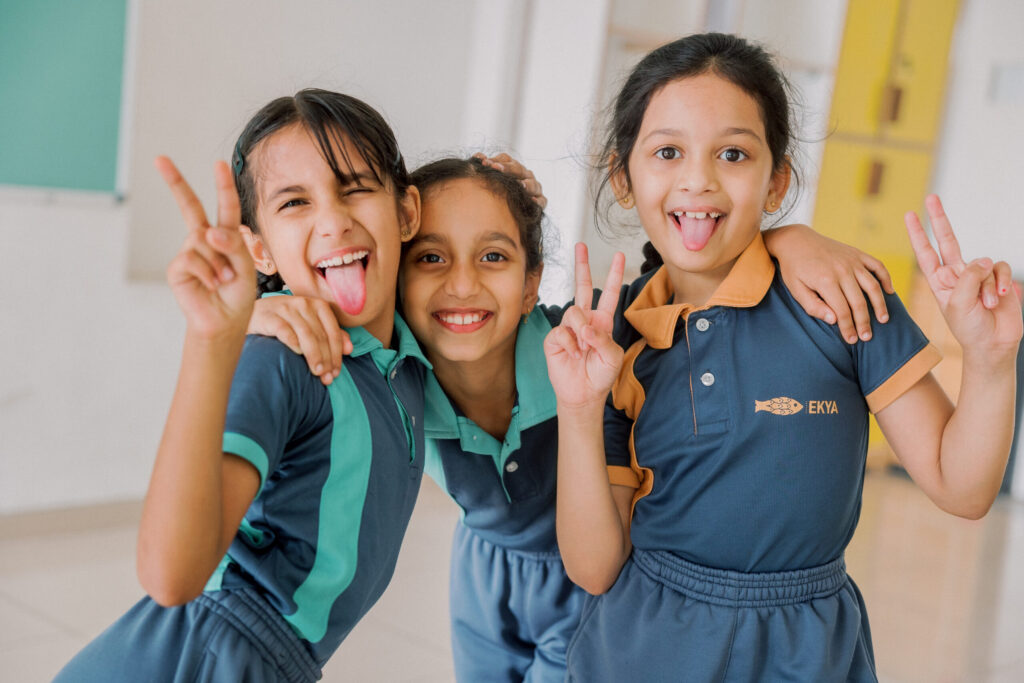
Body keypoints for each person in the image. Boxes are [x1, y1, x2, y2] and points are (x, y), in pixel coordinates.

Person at [250, 153, 913, 681]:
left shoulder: (579, 343)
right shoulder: (389, 360)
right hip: (484, 573)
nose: (461, 284)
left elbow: (684, 282)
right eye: (430, 257)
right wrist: (259, 308)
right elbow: (310, 298)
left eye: (494, 256)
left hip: (593, 570)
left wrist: (789, 239)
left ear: (534, 279)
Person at [544, 33, 1022, 682]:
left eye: (733, 153)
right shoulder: (615, 340)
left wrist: (991, 362)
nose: (698, 179)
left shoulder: (844, 299)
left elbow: (962, 488)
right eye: (667, 151)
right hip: (647, 649)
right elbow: (595, 566)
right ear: (623, 177)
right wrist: (578, 408)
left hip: (808, 650)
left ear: (777, 182)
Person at [54, 89, 429, 682]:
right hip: (200, 655)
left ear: (407, 212)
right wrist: (212, 339)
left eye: (355, 186)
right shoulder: (283, 358)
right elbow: (172, 577)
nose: (333, 220)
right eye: (295, 202)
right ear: (260, 248)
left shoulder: (405, 358)